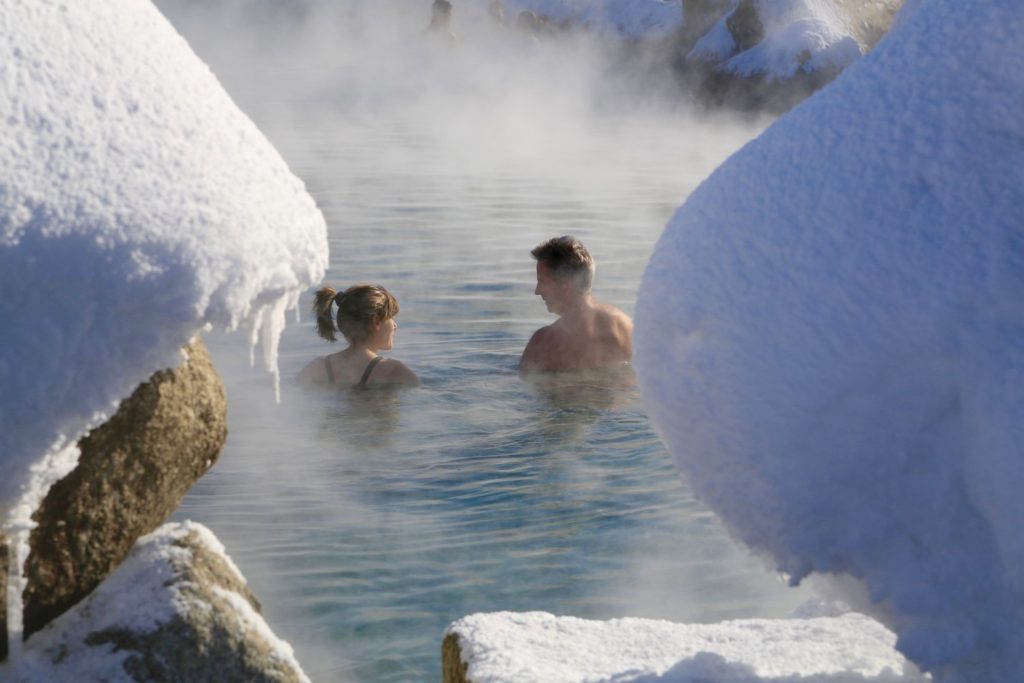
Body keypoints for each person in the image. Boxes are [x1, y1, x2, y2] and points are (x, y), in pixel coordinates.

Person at [519, 236, 633, 374]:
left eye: (542, 281)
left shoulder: (545, 341)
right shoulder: (628, 328)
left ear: (565, 285)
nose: (537, 291)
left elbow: (522, 382)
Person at [298, 284, 419, 388]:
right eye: (391, 317)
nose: (395, 325)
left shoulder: (319, 367)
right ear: (376, 322)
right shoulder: (393, 370)